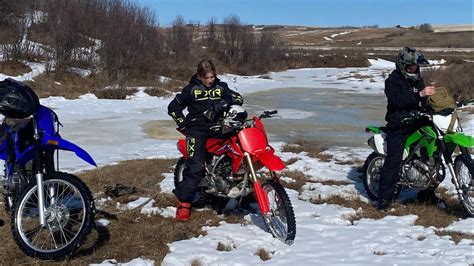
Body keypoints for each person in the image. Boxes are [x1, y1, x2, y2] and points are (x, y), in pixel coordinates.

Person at [167, 59, 243, 221]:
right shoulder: (191, 90)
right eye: (207, 78)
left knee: (237, 151)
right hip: (197, 130)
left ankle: (232, 183)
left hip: (220, 127)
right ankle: (184, 204)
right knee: (195, 167)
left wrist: (222, 104)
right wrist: (184, 125)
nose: (211, 80)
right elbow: (173, 108)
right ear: (200, 76)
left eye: (213, 77)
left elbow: (238, 98)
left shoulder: (221, 87)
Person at [377, 47, 436, 210]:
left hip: (416, 121)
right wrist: (420, 95)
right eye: (411, 67)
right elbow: (398, 101)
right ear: (403, 66)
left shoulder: (418, 80)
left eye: (416, 67)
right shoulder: (392, 81)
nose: (414, 69)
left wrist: (434, 105)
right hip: (398, 124)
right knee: (394, 160)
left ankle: (427, 193)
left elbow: (423, 101)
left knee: (431, 152)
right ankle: (383, 198)